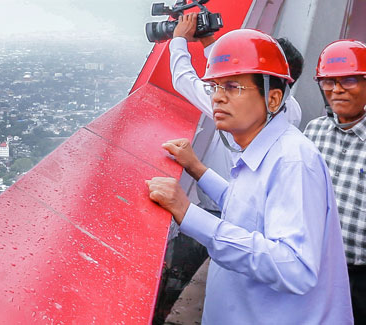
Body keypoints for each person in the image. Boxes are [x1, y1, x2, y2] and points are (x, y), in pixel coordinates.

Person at [147, 29, 353, 324]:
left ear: (273, 99)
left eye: (233, 87)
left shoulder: (292, 161)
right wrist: (198, 170)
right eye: (214, 86)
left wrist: (188, 212)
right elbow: (248, 207)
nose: (218, 97)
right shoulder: (263, 147)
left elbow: (295, 267)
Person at [169, 12, 304, 213]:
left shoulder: (240, 106)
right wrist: (209, 42)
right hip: (245, 206)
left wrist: (178, 40)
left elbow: (182, 79)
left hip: (221, 208)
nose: (219, 96)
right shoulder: (290, 107)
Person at [303, 39, 366, 323]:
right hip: (315, 271)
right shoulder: (312, 133)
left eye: (349, 80)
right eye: (328, 81)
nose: (337, 89)